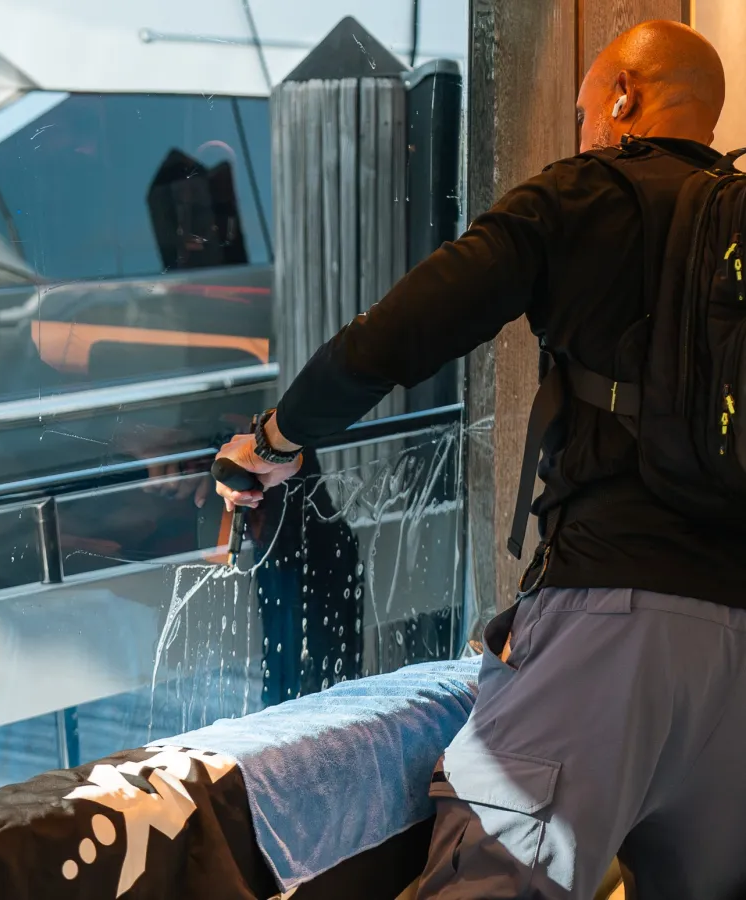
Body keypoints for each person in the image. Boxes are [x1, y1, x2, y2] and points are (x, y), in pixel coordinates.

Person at [215, 19, 746, 900]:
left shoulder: (583, 197)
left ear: (623, 98)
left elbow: (402, 330)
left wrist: (278, 437)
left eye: (583, 109)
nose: (580, 130)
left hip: (613, 625)